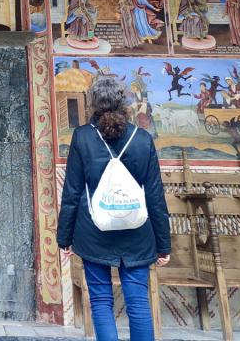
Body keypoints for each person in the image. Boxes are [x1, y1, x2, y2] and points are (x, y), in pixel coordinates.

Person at [57, 77, 170, 341]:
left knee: (100, 302)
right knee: (139, 303)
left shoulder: (82, 136)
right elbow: (155, 195)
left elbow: (72, 191)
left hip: (93, 231)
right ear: (124, 103)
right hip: (137, 234)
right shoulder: (142, 139)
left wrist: (64, 238)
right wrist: (163, 244)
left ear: (93, 103)